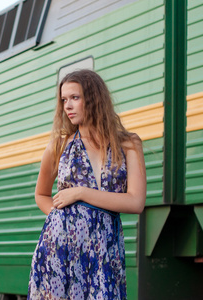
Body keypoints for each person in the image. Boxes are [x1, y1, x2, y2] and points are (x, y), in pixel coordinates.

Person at [27, 69, 146, 299]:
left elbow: (136, 202)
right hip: (60, 249)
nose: (67, 106)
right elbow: (41, 194)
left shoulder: (130, 144)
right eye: (64, 100)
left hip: (105, 249)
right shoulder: (59, 146)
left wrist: (80, 193)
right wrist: (60, 219)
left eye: (75, 98)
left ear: (93, 98)